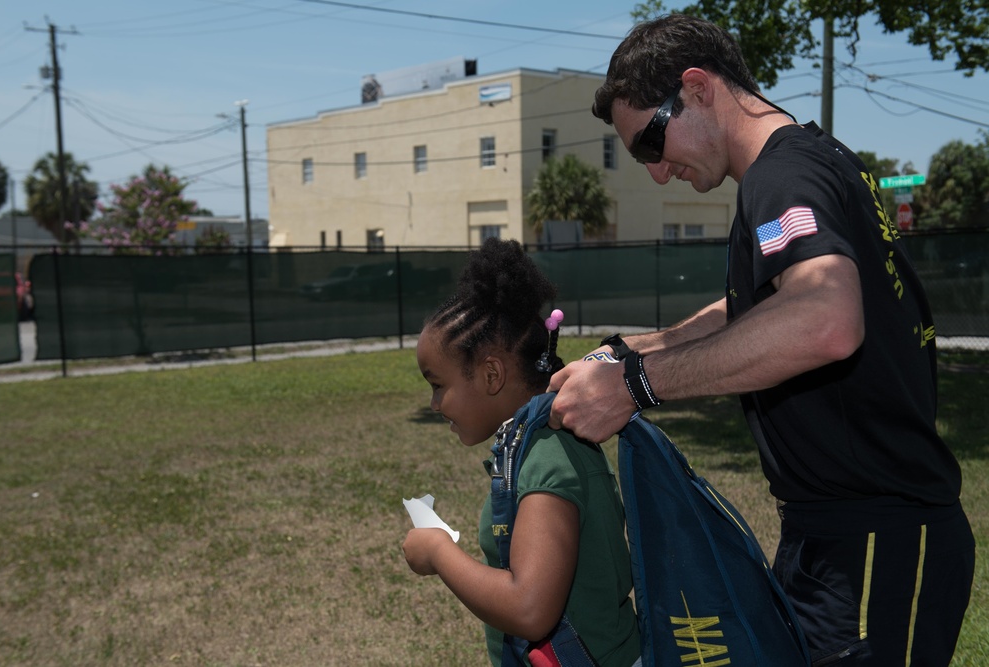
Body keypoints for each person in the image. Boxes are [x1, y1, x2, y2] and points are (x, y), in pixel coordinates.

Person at [547, 14, 975, 667]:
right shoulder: (808, 162)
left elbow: (825, 318)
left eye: (650, 144)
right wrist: (633, 349)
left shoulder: (783, 177)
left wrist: (637, 385)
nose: (657, 173)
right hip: (829, 537)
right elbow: (756, 307)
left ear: (698, 88)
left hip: (876, 541)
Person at [402, 237, 641, 667]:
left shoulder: (548, 458)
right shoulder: (533, 445)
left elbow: (530, 609)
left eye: (438, 385)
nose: (435, 404)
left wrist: (439, 552)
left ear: (492, 373)